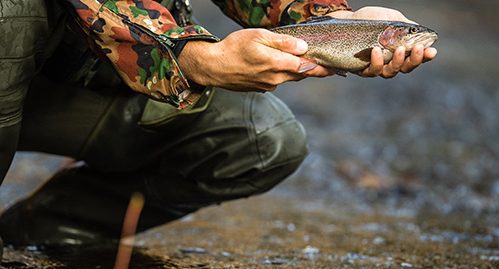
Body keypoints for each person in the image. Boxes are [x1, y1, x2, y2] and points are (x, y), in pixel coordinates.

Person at [0, 0, 436, 251]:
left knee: (262, 140)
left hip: (77, 81)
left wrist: (331, 18)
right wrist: (196, 59)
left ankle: (34, 235)